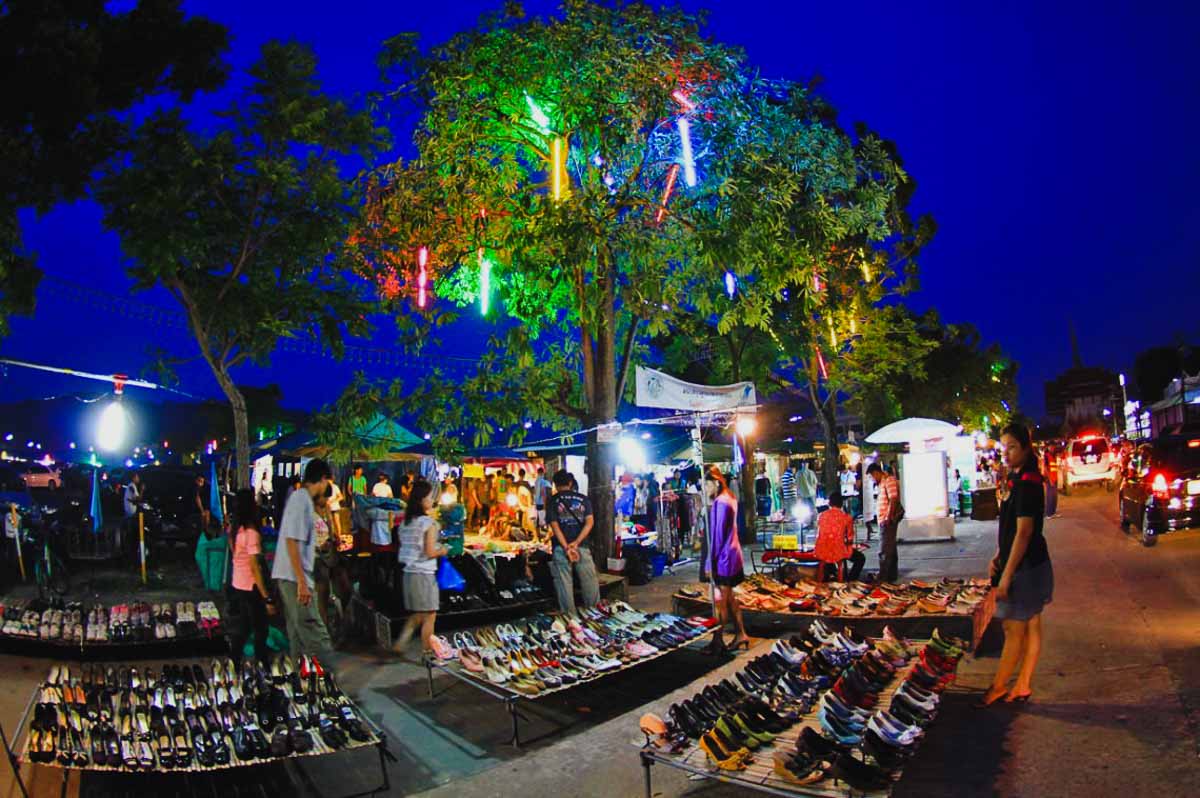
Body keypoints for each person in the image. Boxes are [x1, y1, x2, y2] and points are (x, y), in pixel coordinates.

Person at [980, 423, 1053, 707]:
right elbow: (1010, 530)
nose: (1006, 453)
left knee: (1013, 629)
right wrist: (998, 556)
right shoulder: (1019, 478)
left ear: (1025, 447)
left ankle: (999, 686)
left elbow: (1024, 533)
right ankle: (1022, 684)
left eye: (1011, 447)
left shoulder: (1027, 484)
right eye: (1003, 448)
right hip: (1027, 562)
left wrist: (1006, 576)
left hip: (1026, 566)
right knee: (1032, 623)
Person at [270, 458, 335, 662]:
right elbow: (291, 541)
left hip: (292, 576)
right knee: (314, 629)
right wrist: (301, 582)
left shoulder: (301, 499)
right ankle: (332, 676)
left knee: (297, 630)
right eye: (327, 483)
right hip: (294, 577)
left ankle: (300, 678)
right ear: (323, 479)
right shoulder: (301, 500)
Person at [393, 479, 448, 658]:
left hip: (408, 574)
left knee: (419, 613)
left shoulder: (405, 523)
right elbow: (430, 551)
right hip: (423, 574)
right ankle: (428, 654)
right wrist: (443, 550)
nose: (432, 501)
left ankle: (401, 643)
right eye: (430, 497)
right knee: (430, 615)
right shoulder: (428, 523)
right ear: (422, 500)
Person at [702, 467, 749, 654]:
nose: (704, 489)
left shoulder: (721, 503)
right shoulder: (729, 497)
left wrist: (709, 563)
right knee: (730, 599)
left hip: (724, 558)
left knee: (720, 601)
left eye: (706, 484)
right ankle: (741, 634)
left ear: (716, 482)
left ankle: (717, 641)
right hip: (732, 554)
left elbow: (718, 536)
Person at [229, 489, 275, 664]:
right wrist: (266, 597)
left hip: (238, 582)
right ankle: (262, 663)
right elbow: (255, 567)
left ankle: (234, 661)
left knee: (245, 625)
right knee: (260, 628)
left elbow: (234, 551)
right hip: (251, 584)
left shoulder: (235, 528)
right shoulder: (251, 532)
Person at [546, 470, 600, 614]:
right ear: (570, 483)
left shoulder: (552, 501)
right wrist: (576, 543)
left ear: (555, 485)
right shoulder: (583, 499)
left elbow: (555, 526)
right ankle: (595, 614)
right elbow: (589, 523)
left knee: (564, 583)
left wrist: (566, 546)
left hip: (561, 548)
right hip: (581, 547)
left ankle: (571, 618)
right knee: (589, 582)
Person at [814, 493, 865, 582]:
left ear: (829, 503)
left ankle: (829, 576)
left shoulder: (821, 516)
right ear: (842, 504)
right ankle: (850, 580)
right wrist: (849, 549)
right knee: (860, 558)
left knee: (826, 559)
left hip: (822, 549)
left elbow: (819, 533)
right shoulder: (846, 517)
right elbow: (850, 537)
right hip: (838, 550)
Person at [867, 461, 901, 583]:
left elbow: (893, 498)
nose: (872, 479)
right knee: (890, 548)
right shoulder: (882, 483)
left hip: (888, 520)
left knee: (884, 549)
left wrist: (888, 517)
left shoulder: (888, 480)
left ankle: (883, 577)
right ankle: (891, 575)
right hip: (884, 519)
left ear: (876, 473)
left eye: (871, 476)